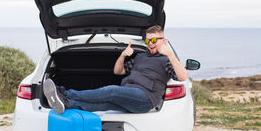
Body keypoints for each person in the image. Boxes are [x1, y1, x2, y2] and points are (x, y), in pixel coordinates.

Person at [43, 25, 188, 114]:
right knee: (102, 104)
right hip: (129, 94)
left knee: (111, 91)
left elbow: (182, 77)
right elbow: (118, 71)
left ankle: (63, 92)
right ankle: (65, 103)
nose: (150, 44)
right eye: (148, 40)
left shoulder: (167, 60)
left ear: (163, 40)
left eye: (154, 40)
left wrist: (169, 53)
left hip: (146, 99)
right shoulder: (141, 57)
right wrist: (123, 55)